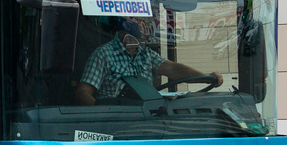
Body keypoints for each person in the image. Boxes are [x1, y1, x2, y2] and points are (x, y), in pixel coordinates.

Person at [75, 15, 222, 106]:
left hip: (145, 118)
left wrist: (207, 77)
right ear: (127, 27)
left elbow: (174, 69)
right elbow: (83, 93)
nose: (146, 28)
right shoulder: (103, 55)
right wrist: (107, 115)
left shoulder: (145, 54)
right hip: (117, 122)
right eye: (142, 23)